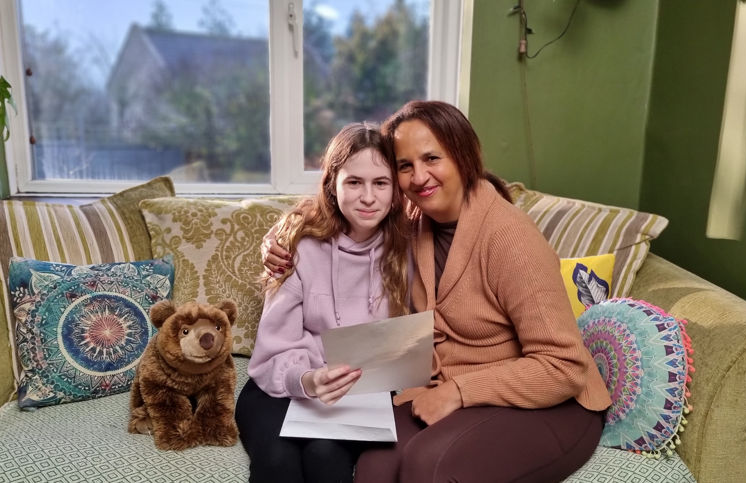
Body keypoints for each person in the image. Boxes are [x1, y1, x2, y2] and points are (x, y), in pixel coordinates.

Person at [263, 100, 612, 483]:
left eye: (432, 158)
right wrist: (281, 239)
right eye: (405, 166)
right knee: (373, 467)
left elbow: (564, 366)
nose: (419, 177)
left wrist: (458, 392)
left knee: (428, 467)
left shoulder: (510, 237)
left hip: (551, 401)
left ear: (463, 156)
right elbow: (337, 204)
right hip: (458, 390)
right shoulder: (412, 220)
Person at [237, 122, 411, 483]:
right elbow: (273, 351)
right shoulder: (297, 246)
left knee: (324, 456)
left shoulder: (409, 249)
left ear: (396, 190)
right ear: (332, 184)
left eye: (380, 183)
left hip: (362, 393)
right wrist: (308, 379)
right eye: (353, 182)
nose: (368, 197)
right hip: (283, 384)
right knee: (277, 462)